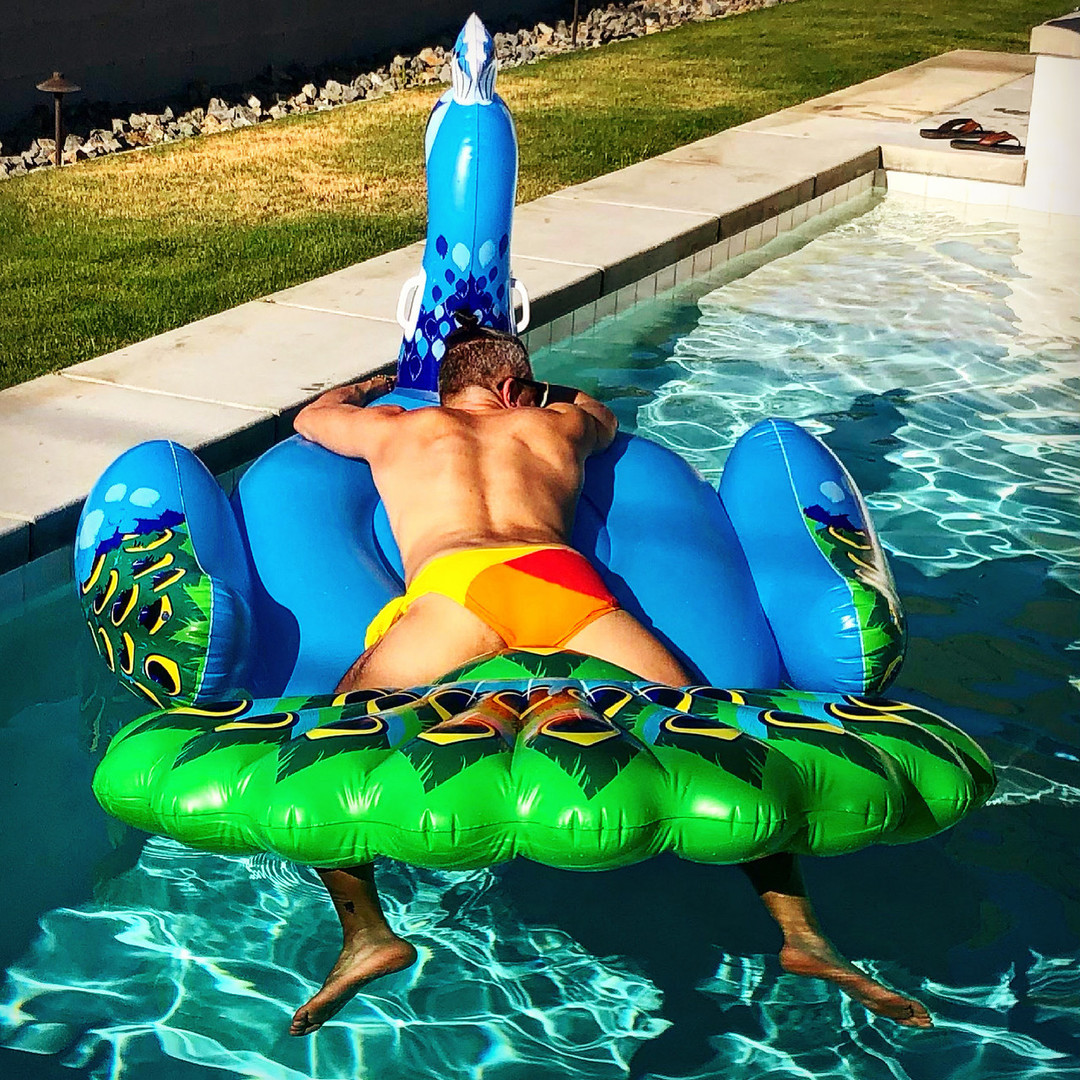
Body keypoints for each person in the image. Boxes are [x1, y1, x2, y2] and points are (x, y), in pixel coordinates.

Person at [287, 322, 932, 1036]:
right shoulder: (555, 425)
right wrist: (547, 394)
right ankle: (802, 933)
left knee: (332, 743)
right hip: (564, 586)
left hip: (456, 590)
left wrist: (370, 388)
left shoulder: (398, 431)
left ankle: (367, 935)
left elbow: (311, 418)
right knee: (709, 734)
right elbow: (601, 412)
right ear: (515, 388)